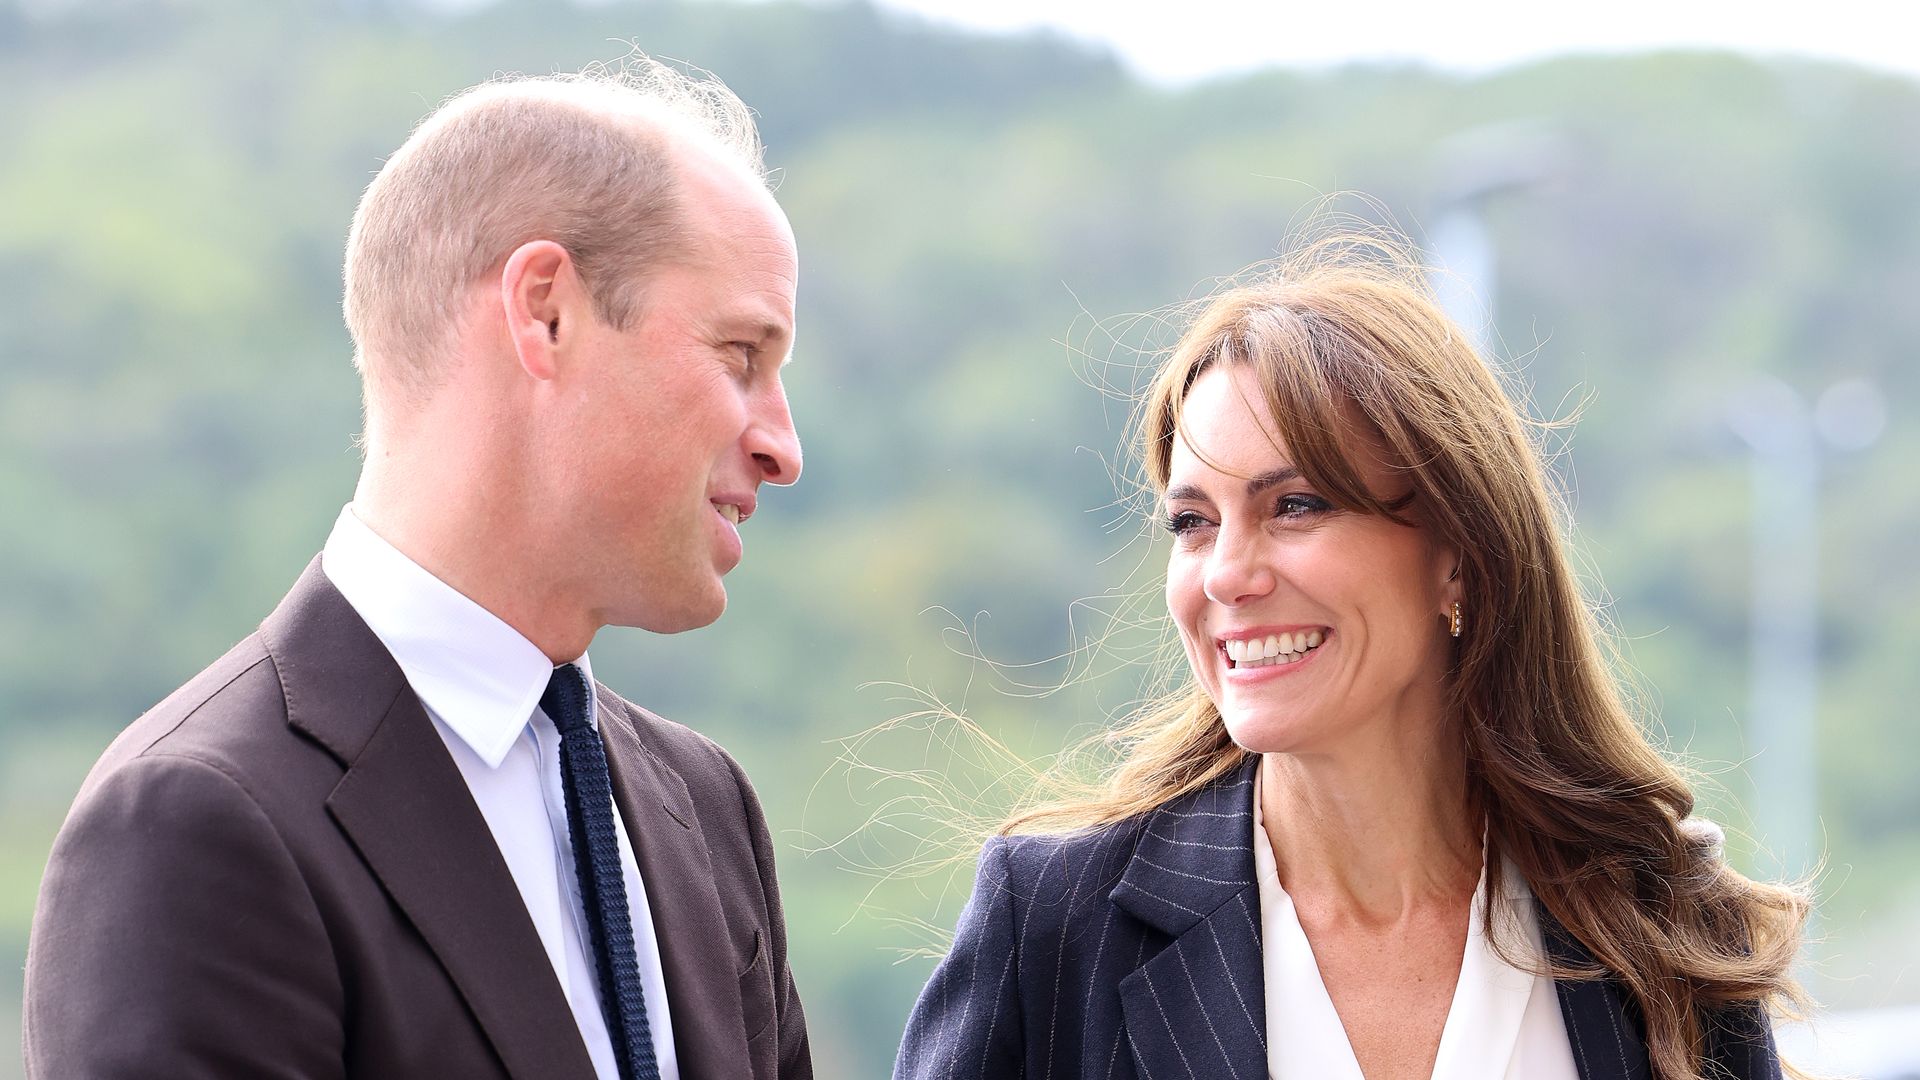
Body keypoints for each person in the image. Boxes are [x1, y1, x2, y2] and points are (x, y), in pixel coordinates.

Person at [24, 59, 811, 1080]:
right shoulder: (192, 822)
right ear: (546, 311)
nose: (783, 445)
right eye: (742, 353)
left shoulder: (707, 811)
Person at [894, 236, 1808, 1080]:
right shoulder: (1056, 930)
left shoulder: (1665, 927)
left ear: (1456, 547)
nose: (1228, 576)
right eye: (1193, 522)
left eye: (1294, 506)